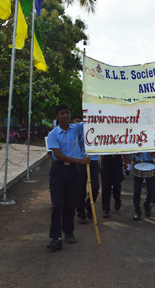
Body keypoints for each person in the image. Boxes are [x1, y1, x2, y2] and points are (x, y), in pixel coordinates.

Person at [46, 104, 91, 250]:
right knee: (58, 204)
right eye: (62, 113)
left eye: (67, 112)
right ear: (57, 117)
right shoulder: (53, 134)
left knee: (71, 203)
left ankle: (69, 232)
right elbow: (58, 156)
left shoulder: (76, 128)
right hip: (58, 171)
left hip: (73, 171)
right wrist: (80, 160)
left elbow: (92, 119)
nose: (65, 115)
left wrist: (85, 100)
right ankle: (56, 236)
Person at [131, 152, 155, 221]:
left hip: (150, 162)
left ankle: (147, 205)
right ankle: (137, 210)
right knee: (137, 190)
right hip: (138, 162)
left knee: (151, 189)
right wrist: (135, 152)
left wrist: (154, 153)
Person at [101, 154, 124, 218]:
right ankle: (106, 209)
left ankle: (117, 199)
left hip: (117, 159)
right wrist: (100, 163)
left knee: (117, 184)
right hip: (106, 159)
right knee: (106, 186)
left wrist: (126, 162)